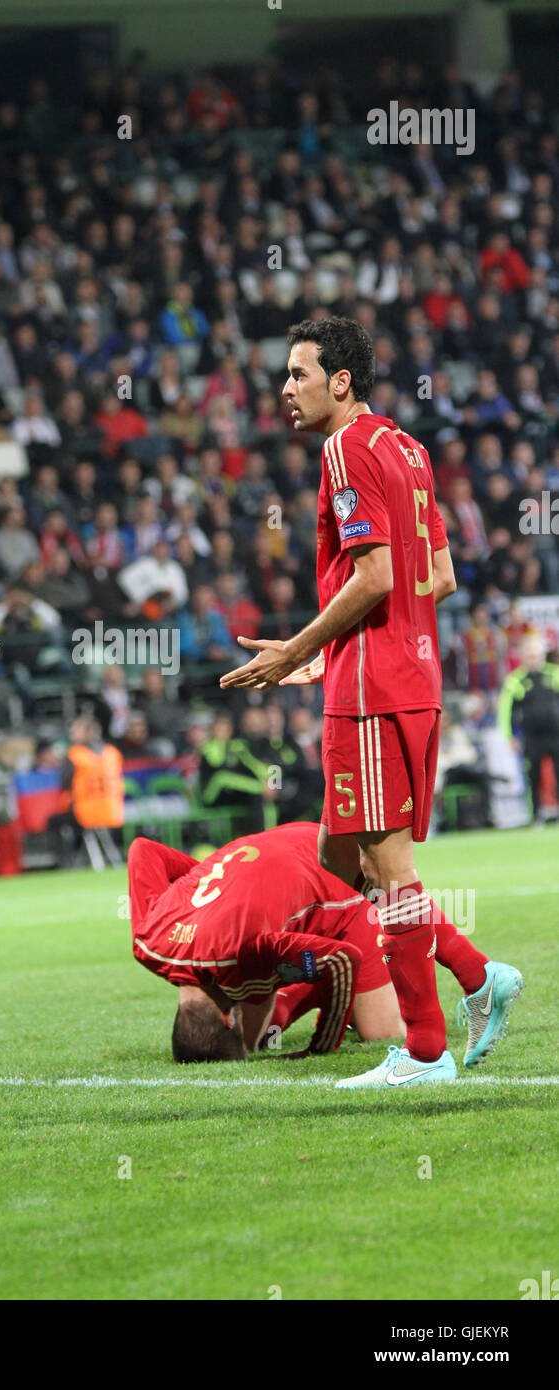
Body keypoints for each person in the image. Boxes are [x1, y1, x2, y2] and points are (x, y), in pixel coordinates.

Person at [220, 317, 523, 1087]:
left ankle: (424, 1050)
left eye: (298, 374)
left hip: (372, 694)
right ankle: (476, 974)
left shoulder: (345, 448)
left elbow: (379, 575)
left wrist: (301, 648)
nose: (286, 390)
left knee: (388, 872)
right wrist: (348, 651)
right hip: (409, 680)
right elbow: (440, 578)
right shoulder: (408, 448)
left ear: (340, 381)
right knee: (338, 857)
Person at [129, 821, 401, 1062]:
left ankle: (327, 989)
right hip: (273, 841)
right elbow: (143, 850)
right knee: (256, 993)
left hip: (335, 866)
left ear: (228, 1017)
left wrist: (321, 1048)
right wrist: (207, 883)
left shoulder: (245, 951)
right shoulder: (148, 942)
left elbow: (343, 958)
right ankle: (317, 990)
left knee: (381, 1031)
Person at [497, 631, 559, 823]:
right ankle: (536, 816)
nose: (533, 657)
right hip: (531, 736)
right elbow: (505, 711)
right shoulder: (515, 679)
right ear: (523, 655)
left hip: (555, 733)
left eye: (536, 653)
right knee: (533, 776)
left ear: (542, 654)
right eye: (529, 653)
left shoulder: (554, 673)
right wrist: (509, 736)